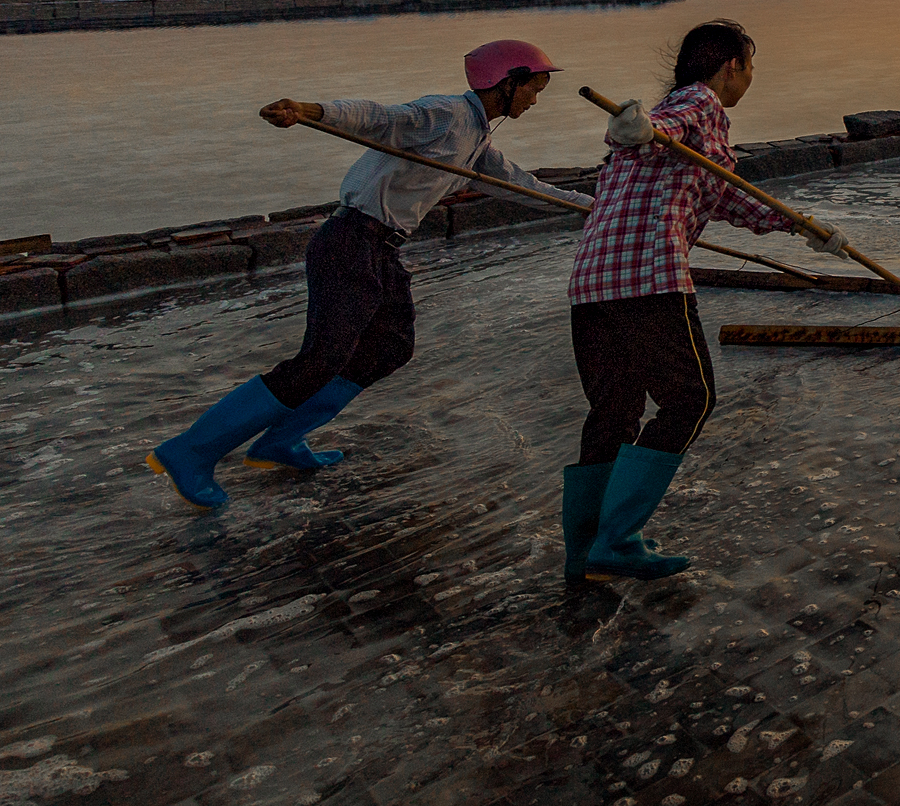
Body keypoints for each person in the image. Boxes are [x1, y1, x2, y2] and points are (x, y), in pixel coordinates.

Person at [146, 40, 592, 509]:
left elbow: (525, 186)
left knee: (389, 346)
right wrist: (310, 111)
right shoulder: (446, 114)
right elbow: (380, 117)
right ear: (507, 82)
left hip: (381, 249)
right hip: (349, 240)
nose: (535, 100)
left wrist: (598, 209)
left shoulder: (476, 140)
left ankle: (280, 441)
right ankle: (190, 451)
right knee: (321, 358)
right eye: (534, 89)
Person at [560, 19, 846, 582]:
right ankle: (615, 540)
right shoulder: (699, 104)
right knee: (690, 399)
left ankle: (585, 552)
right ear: (731, 66)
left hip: (593, 286)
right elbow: (653, 130)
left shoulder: (684, 137)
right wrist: (635, 128)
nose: (750, 78)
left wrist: (802, 227)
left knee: (614, 412)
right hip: (647, 279)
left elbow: (727, 200)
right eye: (751, 66)